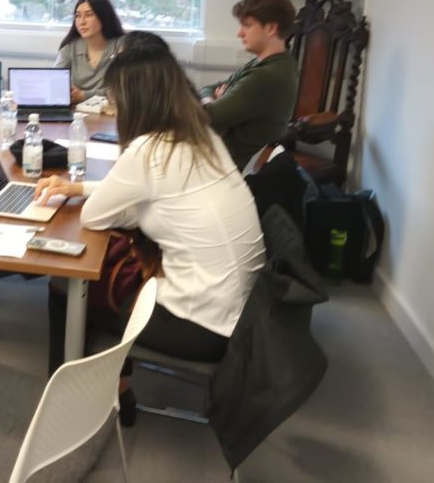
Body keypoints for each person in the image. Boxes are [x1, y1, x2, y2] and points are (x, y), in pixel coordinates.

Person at [36, 46, 265, 422]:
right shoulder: (202, 137)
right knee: (114, 268)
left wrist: (89, 196)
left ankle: (72, 407)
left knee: (67, 284)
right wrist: (78, 188)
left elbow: (96, 217)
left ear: (134, 99)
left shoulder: (149, 148)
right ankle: (115, 385)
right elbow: (149, 197)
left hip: (198, 326)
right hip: (240, 314)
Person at [199, 0, 298, 171]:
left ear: (271, 28)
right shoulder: (266, 63)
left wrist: (216, 101)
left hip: (219, 171)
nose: (239, 33)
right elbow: (208, 88)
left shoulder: (266, 76)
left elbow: (208, 117)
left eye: (247, 25)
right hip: (215, 159)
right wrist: (215, 98)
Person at [54, 0, 125, 103]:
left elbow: (123, 89)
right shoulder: (69, 48)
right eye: (78, 16)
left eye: (89, 15)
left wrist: (84, 95)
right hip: (77, 113)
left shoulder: (122, 46)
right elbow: (54, 82)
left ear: (104, 17)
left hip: (110, 112)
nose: (82, 22)